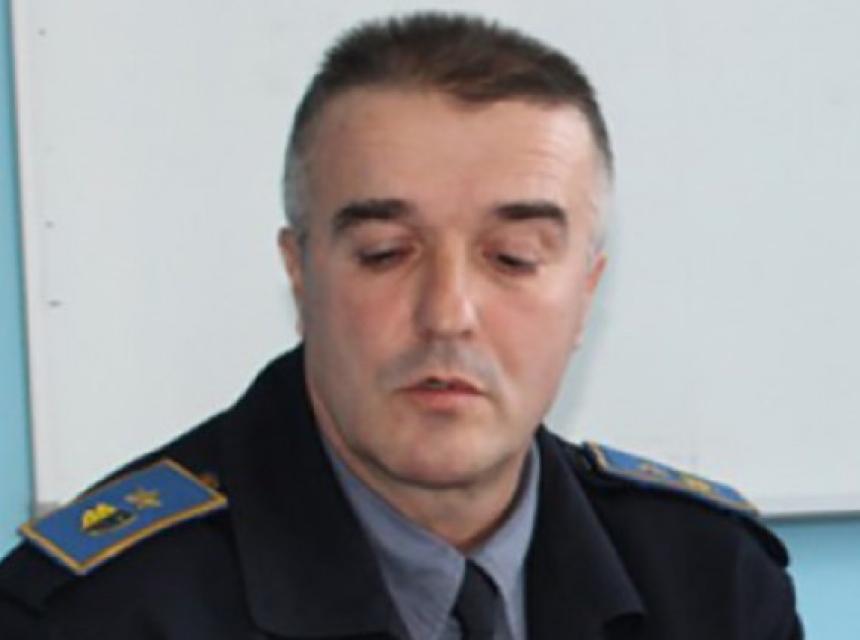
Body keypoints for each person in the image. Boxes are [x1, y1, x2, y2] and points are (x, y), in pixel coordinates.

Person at [0, 12, 801, 639]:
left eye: (513, 258)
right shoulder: (102, 612)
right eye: (386, 254)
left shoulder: (710, 580)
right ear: (300, 273)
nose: (447, 314)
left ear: (586, 293)